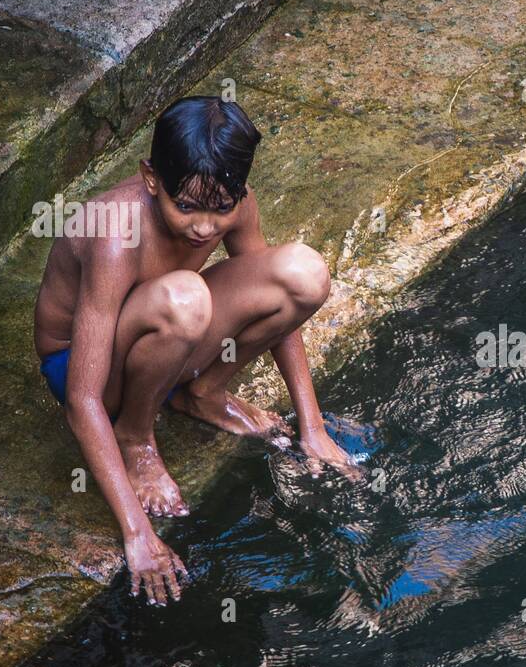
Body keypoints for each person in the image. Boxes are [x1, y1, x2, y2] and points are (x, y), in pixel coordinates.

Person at [33, 95, 351, 605]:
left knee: (304, 273)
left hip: (167, 330)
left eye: (220, 209)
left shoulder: (232, 199)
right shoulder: (117, 232)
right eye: (186, 208)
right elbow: (81, 398)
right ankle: (136, 434)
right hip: (85, 365)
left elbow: (274, 297)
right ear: (152, 178)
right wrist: (138, 533)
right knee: (186, 297)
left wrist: (312, 427)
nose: (204, 227)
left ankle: (202, 392)